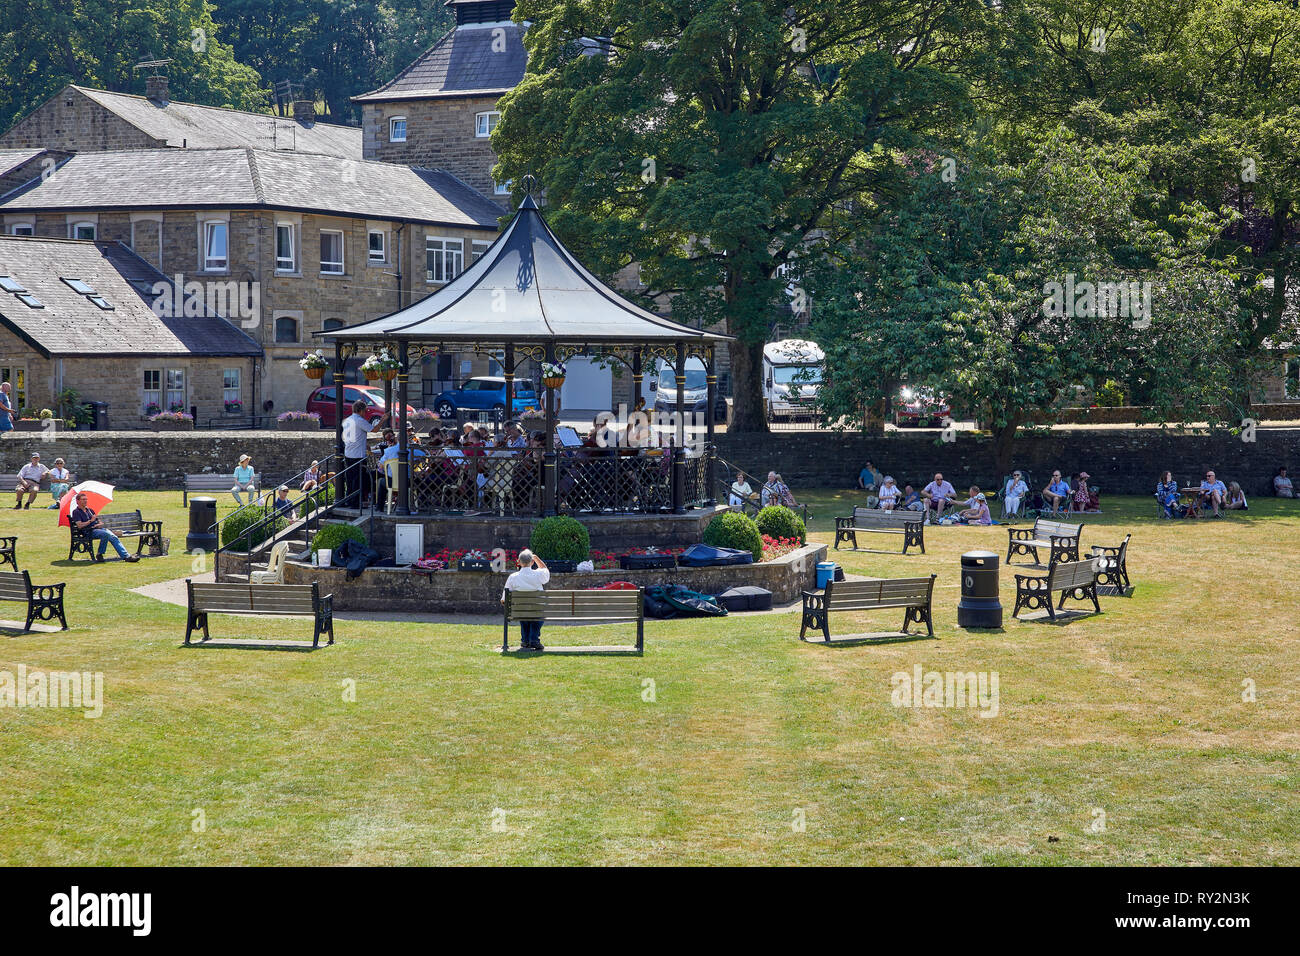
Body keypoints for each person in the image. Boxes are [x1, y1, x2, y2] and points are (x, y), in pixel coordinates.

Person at [501, 548, 549, 651]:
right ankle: (534, 640)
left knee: (523, 613)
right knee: (536, 614)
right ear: (532, 562)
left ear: (518, 562)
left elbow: (504, 598)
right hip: (537, 611)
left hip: (520, 612)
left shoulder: (513, 577)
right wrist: (536, 558)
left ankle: (525, 641)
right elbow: (545, 571)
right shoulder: (539, 574)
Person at [70, 491, 139, 562]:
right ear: (77, 501)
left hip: (97, 530)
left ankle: (126, 556)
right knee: (106, 534)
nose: (85, 501)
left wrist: (99, 524)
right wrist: (90, 521)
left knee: (113, 537)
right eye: (83, 499)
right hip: (88, 532)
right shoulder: (76, 512)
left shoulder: (90, 510)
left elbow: (99, 521)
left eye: (86, 499)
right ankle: (100, 554)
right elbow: (79, 525)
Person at [341, 400, 372, 507]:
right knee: (358, 480)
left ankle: (349, 500)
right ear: (361, 410)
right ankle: (355, 503)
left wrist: (364, 443)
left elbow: (354, 436)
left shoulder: (347, 420)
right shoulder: (359, 420)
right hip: (358, 455)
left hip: (348, 452)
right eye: (364, 411)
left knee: (350, 479)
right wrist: (383, 419)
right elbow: (374, 429)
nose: (365, 413)